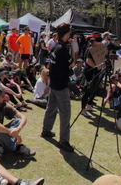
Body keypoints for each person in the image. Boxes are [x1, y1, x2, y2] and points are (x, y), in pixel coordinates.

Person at [41, 23, 75, 152]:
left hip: (54, 82)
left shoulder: (55, 46)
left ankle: (46, 130)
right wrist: (71, 46)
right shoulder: (63, 48)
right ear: (67, 34)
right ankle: (64, 141)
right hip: (61, 84)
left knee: (51, 108)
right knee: (65, 113)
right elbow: (71, 63)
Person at [0, 81, 36, 159]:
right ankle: (16, 147)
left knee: (18, 121)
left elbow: (23, 117)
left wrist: (18, 129)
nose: (5, 98)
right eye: (2, 96)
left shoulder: (4, 105)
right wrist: (11, 132)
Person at [81, 33, 105, 118]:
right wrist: (98, 65)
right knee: (87, 90)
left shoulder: (98, 49)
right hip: (89, 72)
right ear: (94, 41)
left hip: (96, 71)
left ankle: (89, 106)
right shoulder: (90, 50)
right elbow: (88, 61)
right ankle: (83, 109)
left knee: (94, 89)